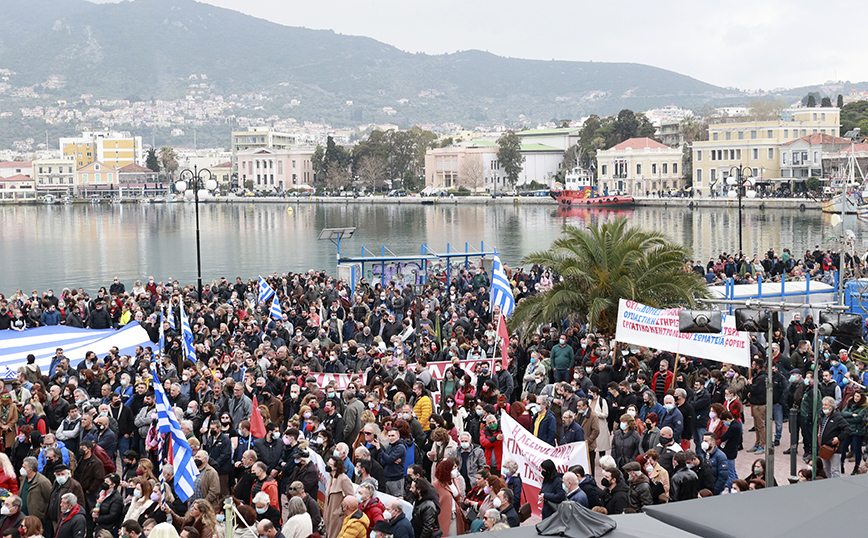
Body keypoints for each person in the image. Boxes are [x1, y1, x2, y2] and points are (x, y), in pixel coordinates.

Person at [818, 396, 851, 479]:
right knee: (826, 469)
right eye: (823, 405)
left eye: (826, 405)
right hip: (824, 447)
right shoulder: (823, 417)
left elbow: (847, 429)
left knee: (835, 470)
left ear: (831, 407)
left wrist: (839, 438)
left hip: (834, 448)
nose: (823, 407)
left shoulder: (837, 417)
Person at [431, 459, 464, 536]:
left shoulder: (455, 480)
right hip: (443, 516)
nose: (456, 470)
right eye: (453, 468)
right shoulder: (436, 485)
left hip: (455, 514)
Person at [324, 457, 354, 538]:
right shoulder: (331, 477)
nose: (327, 466)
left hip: (337, 517)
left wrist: (339, 511)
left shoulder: (344, 479)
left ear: (336, 467)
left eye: (330, 464)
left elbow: (351, 498)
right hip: (328, 515)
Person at [842, 390, 867, 475]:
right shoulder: (850, 403)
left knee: (857, 450)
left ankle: (856, 467)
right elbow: (843, 413)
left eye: (858, 396)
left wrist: (847, 418)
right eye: (855, 396)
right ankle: (841, 464)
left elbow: (858, 419)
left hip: (858, 431)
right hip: (848, 430)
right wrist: (851, 414)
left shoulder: (864, 407)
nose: (856, 398)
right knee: (843, 446)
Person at [376, 429, 406, 497]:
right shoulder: (389, 447)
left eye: (393, 435)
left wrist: (380, 450)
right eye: (389, 436)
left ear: (398, 436)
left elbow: (388, 459)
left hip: (396, 479)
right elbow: (382, 461)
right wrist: (390, 460)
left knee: (397, 501)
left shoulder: (400, 447)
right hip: (387, 478)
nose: (391, 438)